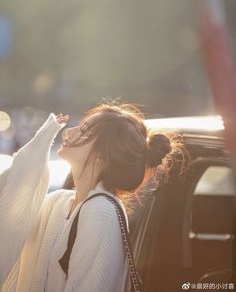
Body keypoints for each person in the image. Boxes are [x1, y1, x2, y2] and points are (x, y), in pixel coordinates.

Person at [0, 102, 182, 292]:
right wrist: (42, 140)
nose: (69, 132)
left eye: (84, 131)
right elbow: (11, 217)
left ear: (102, 156)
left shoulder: (101, 213)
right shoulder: (58, 202)